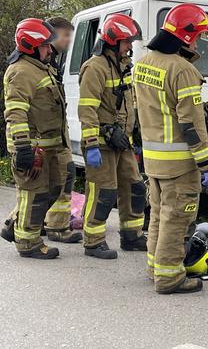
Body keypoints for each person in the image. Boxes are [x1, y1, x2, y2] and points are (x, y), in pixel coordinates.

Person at [134, 3, 208, 294]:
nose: (199, 42)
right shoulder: (183, 70)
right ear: (186, 35)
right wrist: (207, 164)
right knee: (177, 219)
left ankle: (156, 269)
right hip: (180, 163)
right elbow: (191, 125)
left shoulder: (144, 63)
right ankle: (169, 278)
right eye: (198, 35)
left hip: (153, 161)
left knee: (158, 216)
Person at [79, 14, 146, 259]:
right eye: (127, 41)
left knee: (135, 187)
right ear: (112, 41)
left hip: (123, 142)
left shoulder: (124, 65)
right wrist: (92, 143)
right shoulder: (95, 67)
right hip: (101, 143)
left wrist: (136, 128)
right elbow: (87, 108)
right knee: (103, 192)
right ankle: (93, 241)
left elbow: (130, 100)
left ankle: (132, 236)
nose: (130, 46)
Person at [2, 19, 67, 259]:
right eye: (45, 46)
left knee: (52, 189)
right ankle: (28, 243)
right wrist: (22, 146)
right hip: (31, 146)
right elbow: (16, 111)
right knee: (34, 193)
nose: (50, 50)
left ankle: (14, 225)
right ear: (30, 46)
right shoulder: (21, 72)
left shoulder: (40, 66)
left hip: (49, 144)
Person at [43, 17, 81, 243]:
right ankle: (55, 227)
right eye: (66, 35)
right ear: (53, 34)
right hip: (47, 134)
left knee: (55, 181)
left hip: (56, 132)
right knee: (53, 181)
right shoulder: (44, 61)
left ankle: (24, 224)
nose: (69, 41)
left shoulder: (52, 60)